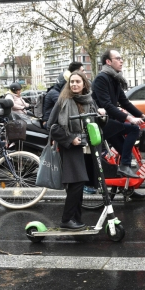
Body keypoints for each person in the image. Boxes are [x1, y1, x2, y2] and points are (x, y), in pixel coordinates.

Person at [47, 71, 105, 230]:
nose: (74, 84)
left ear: (84, 84)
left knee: (79, 184)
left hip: (88, 148)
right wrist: (70, 138)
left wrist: (102, 116)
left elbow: (98, 126)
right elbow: (51, 126)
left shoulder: (90, 101)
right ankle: (66, 220)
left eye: (77, 82)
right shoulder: (63, 101)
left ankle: (76, 220)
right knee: (76, 183)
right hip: (71, 148)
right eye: (72, 82)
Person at [92, 50, 145, 192]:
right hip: (102, 122)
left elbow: (124, 102)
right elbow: (107, 105)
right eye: (118, 58)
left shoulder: (115, 79)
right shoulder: (101, 78)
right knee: (134, 129)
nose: (121, 61)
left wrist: (142, 115)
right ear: (108, 62)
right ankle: (124, 166)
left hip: (111, 122)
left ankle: (128, 189)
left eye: (121, 58)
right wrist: (130, 119)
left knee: (124, 151)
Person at [42, 62, 85, 129]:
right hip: (48, 123)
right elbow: (63, 106)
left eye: (77, 81)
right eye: (71, 82)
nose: (73, 85)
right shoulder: (56, 94)